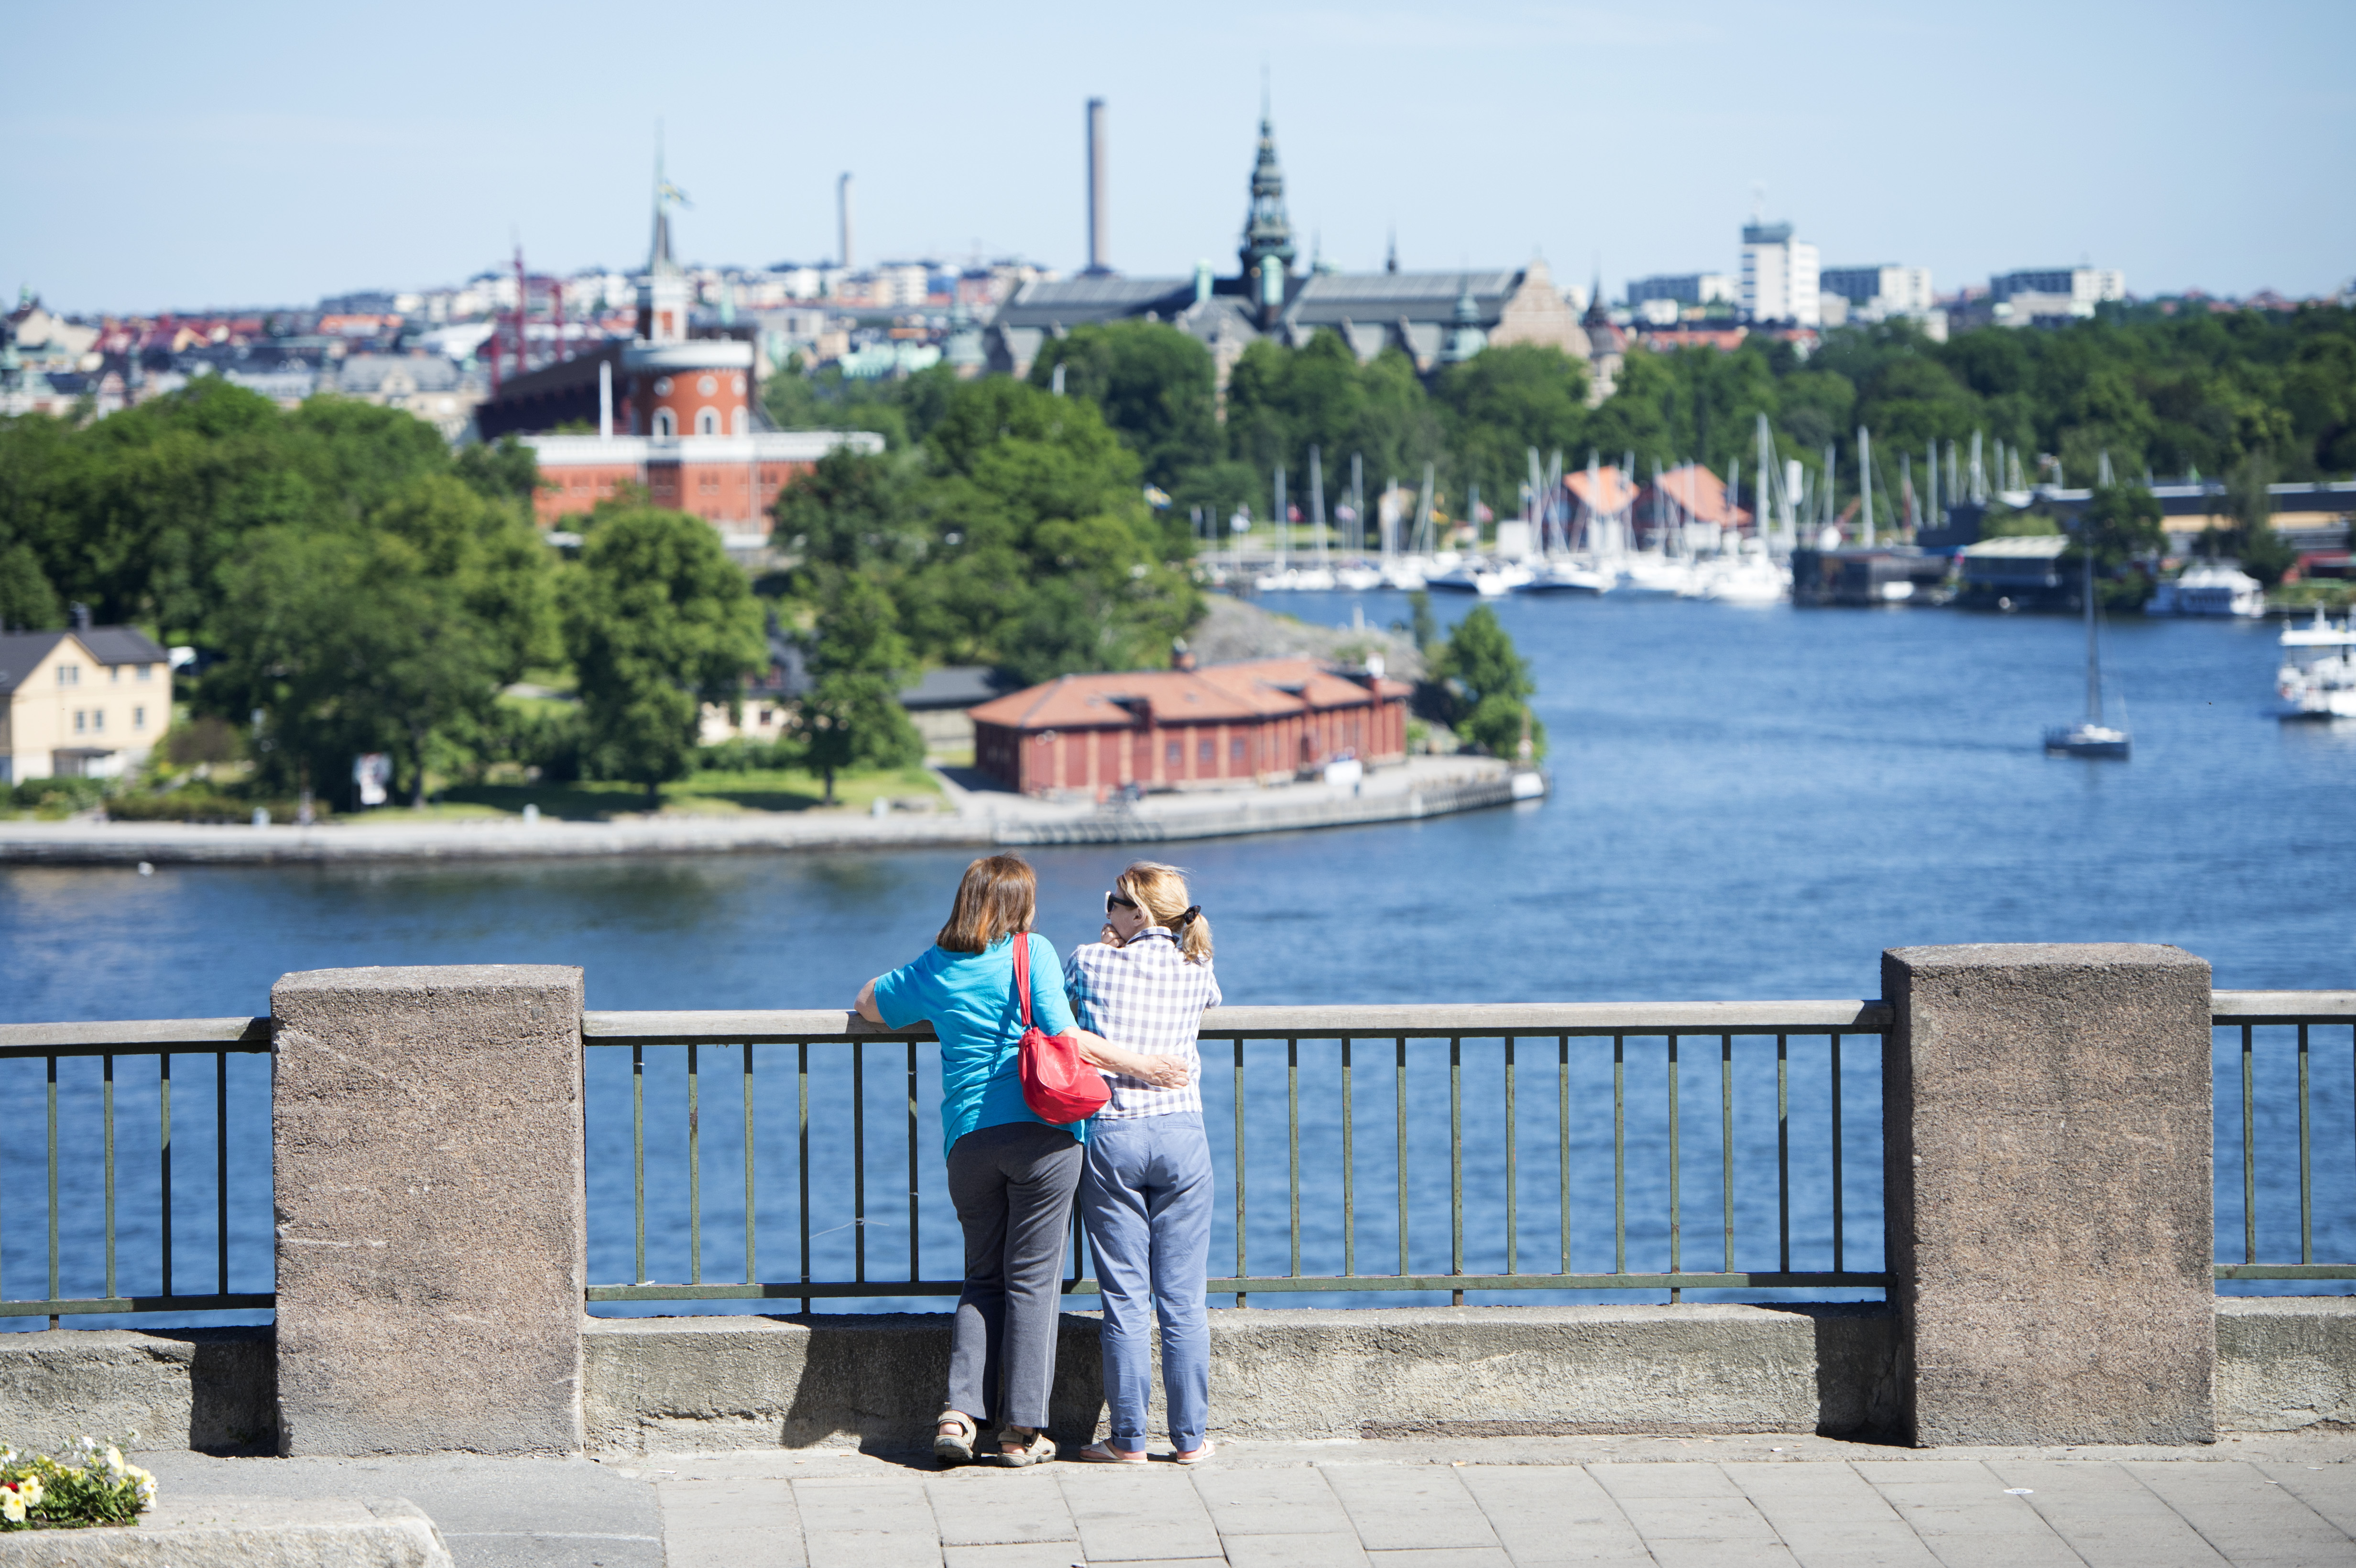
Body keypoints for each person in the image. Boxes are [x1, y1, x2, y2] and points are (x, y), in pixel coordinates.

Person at [856, 854, 1187, 1469]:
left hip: (971, 1139)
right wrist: (1144, 1065)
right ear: (1019, 906)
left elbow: (870, 1003)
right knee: (1033, 1282)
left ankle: (957, 1416)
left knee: (982, 1275)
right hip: (1044, 1135)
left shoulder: (936, 964)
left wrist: (926, 968)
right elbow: (1064, 1037)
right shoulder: (1031, 953)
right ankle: (1019, 1433)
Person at [1063, 861, 1221, 1465]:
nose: (1106, 911)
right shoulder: (1196, 964)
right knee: (1182, 1299)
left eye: (1112, 902)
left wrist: (1108, 945)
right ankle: (1190, 1440)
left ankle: (1127, 1439)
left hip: (1114, 1133)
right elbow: (1209, 1000)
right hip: (1182, 1133)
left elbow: (1064, 1018)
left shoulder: (1089, 958)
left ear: (1135, 913)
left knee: (1125, 1297)